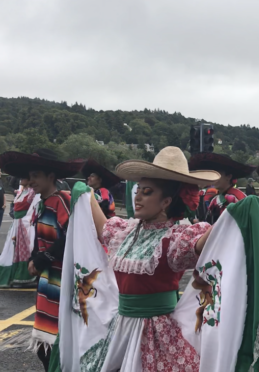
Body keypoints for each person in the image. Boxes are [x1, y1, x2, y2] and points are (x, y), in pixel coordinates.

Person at [85, 146, 220, 371]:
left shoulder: (175, 238)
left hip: (157, 333)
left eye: (146, 192)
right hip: (120, 329)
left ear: (166, 201)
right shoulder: (125, 231)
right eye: (138, 190)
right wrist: (86, 194)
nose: (137, 196)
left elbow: (203, 244)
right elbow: (102, 228)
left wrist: (231, 218)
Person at [0, 148, 83, 371]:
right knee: (44, 342)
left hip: (61, 279)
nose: (31, 181)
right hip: (46, 280)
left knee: (55, 340)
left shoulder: (62, 200)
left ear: (51, 176)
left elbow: (71, 234)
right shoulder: (41, 203)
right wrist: (35, 258)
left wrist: (42, 259)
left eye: (36, 175)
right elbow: (40, 239)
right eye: (30, 175)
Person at [188, 153, 255, 224]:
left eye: (218, 174)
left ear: (228, 176)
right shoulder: (215, 199)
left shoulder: (236, 198)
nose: (215, 177)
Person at [0, 178, 39, 287]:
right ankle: (13, 275)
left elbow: (34, 208)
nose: (20, 179)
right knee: (11, 250)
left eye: (23, 177)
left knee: (23, 250)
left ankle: (23, 276)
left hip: (24, 224)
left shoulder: (32, 192)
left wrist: (27, 221)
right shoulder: (22, 191)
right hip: (16, 224)